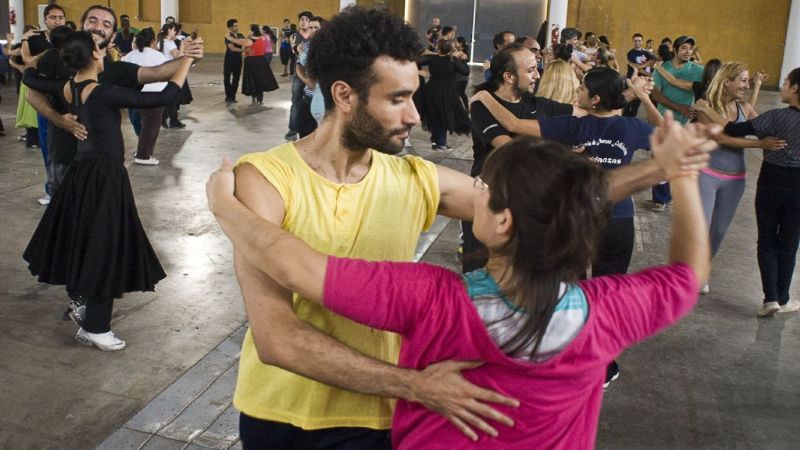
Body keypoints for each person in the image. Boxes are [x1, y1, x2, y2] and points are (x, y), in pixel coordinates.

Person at [206, 116, 716, 448]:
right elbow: (689, 275)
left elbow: (296, 266)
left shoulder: (432, 299)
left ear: (502, 222)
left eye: (486, 191)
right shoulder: (608, 313)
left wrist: (224, 205)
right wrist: (679, 176)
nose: (475, 194)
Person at [472, 67, 664, 386]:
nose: (578, 91)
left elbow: (513, 124)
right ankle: (603, 362)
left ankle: (566, 353)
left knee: (568, 290)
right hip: (618, 221)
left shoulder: (574, 125)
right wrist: (645, 98)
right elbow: (666, 137)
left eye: (583, 88)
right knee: (608, 294)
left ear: (596, 98)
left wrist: (483, 98)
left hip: (577, 220)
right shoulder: (631, 127)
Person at [22, 31, 195, 351]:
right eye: (101, 48)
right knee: (104, 247)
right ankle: (95, 326)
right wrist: (186, 62)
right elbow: (162, 97)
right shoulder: (101, 93)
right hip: (103, 179)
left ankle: (88, 312)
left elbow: (32, 78)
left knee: (90, 244)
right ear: (96, 57)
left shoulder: (68, 87)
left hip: (83, 176)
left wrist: (32, 64)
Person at [463, 42, 577, 273]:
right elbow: (508, 148)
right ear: (509, 76)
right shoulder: (481, 105)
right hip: (490, 194)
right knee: (480, 269)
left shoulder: (538, 105)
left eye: (537, 68)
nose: (537, 75)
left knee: (522, 270)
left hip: (528, 196)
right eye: (531, 70)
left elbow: (586, 114)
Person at [709, 68, 800, 317]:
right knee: (789, 245)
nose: (781, 87)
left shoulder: (776, 118)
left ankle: (770, 299)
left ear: (794, 89)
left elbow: (733, 130)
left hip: (771, 181)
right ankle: (783, 298)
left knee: (767, 241)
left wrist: (707, 111)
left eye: (784, 83)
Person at [690, 63, 787, 296]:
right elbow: (723, 138)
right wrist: (760, 144)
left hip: (735, 178)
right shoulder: (705, 107)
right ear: (727, 82)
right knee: (700, 228)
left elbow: (763, 127)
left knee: (719, 231)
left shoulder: (744, 108)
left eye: (747, 81)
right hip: (706, 173)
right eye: (742, 81)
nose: (747, 85)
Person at [650, 35, 704, 212]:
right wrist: (679, 107)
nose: (688, 52)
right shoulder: (662, 68)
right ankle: (660, 198)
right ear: (675, 50)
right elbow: (656, 94)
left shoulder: (697, 70)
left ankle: (673, 193)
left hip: (685, 122)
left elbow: (704, 92)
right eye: (684, 48)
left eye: (690, 49)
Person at [22, 4, 66, 206]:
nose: (57, 21)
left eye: (60, 17)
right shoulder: (36, 40)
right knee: (48, 146)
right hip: (44, 99)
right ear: (45, 19)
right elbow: (27, 61)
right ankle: (52, 188)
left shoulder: (70, 37)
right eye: (53, 17)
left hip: (68, 101)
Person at [122, 27, 168, 165]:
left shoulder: (131, 54)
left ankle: (142, 151)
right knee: (151, 126)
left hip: (133, 95)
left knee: (141, 124)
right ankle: (143, 155)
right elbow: (167, 72)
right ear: (153, 41)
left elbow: (121, 67)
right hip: (153, 96)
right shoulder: (157, 55)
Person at [418, 39, 471, 150]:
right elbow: (465, 71)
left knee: (434, 115)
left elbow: (415, 61)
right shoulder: (452, 60)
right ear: (451, 49)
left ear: (438, 48)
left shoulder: (432, 58)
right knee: (444, 117)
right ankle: (441, 143)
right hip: (447, 92)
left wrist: (421, 71)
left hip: (432, 90)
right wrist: (461, 59)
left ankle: (435, 141)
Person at [285, 10, 313, 141]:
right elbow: (296, 54)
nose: (304, 22)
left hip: (313, 74)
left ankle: (311, 128)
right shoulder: (294, 36)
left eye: (306, 20)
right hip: (299, 71)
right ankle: (292, 130)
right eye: (302, 19)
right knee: (296, 100)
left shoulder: (315, 35)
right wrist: (295, 48)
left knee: (310, 101)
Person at [242, 24, 278, 105]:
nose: (248, 31)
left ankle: (253, 97)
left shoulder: (248, 39)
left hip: (251, 60)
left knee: (252, 79)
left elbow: (244, 50)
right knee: (260, 79)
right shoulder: (262, 38)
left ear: (252, 31)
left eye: (249, 30)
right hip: (261, 60)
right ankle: (260, 98)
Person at [159, 23, 185, 128]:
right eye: (174, 30)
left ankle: (167, 119)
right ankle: (170, 119)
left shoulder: (161, 41)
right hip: (171, 71)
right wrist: (182, 47)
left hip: (163, 71)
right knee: (173, 97)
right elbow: (177, 56)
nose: (176, 33)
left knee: (170, 96)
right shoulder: (169, 43)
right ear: (169, 30)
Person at [624, 33, 655, 117]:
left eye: (639, 41)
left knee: (636, 103)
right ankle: (625, 120)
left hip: (641, 81)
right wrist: (648, 71)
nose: (637, 43)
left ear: (642, 41)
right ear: (633, 41)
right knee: (627, 103)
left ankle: (631, 121)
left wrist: (643, 66)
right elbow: (636, 67)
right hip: (631, 80)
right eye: (635, 41)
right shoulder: (630, 53)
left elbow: (653, 60)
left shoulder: (646, 52)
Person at [223, 19, 249, 103]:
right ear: (230, 27)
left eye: (237, 25)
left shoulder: (241, 35)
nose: (237, 27)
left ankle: (233, 96)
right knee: (227, 78)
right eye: (235, 26)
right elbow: (232, 48)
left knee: (236, 78)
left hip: (238, 59)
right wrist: (244, 51)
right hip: (229, 59)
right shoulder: (227, 36)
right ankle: (228, 96)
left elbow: (246, 43)